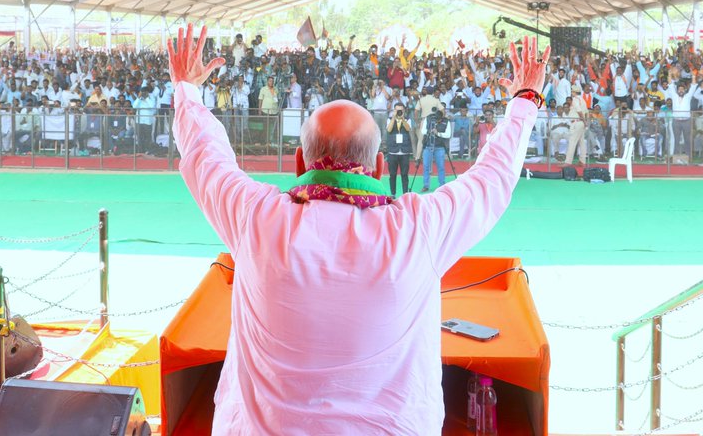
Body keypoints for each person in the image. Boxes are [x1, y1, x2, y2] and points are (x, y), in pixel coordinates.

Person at [168, 24, 548, 435]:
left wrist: (186, 89)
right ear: (380, 169)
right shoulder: (416, 229)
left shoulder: (255, 219)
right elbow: (492, 179)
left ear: (300, 163)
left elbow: (206, 156)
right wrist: (525, 101)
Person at [419, 104, 452, 192]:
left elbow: (448, 134)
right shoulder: (428, 118)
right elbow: (423, 131)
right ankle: (426, 185)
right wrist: (430, 131)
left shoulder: (446, 121)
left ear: (442, 117)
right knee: (426, 166)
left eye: (439, 120)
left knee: (441, 166)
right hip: (428, 145)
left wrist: (438, 133)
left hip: (440, 146)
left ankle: (442, 185)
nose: (437, 121)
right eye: (436, 120)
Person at [384, 104, 413, 195]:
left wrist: (403, 119)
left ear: (404, 111)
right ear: (394, 110)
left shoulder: (408, 119)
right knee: (392, 175)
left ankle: (405, 194)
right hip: (393, 151)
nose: (399, 112)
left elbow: (408, 129)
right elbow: (389, 130)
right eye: (397, 110)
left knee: (404, 174)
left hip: (404, 151)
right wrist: (393, 118)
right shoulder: (389, 119)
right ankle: (393, 194)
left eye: (401, 110)